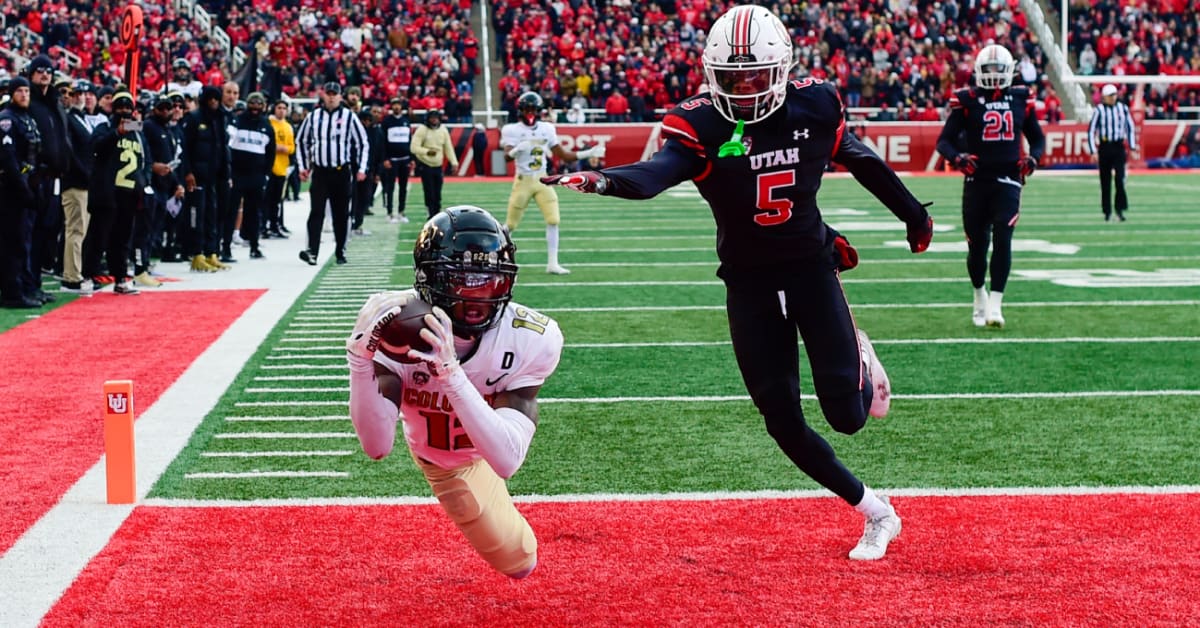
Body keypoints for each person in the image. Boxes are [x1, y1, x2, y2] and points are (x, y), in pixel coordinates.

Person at [543, 4, 933, 561]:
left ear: (783, 69)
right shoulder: (699, 124)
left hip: (809, 268)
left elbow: (861, 157)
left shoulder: (814, 105)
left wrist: (913, 215)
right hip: (748, 282)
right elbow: (656, 175)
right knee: (782, 421)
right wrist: (605, 179)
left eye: (756, 76)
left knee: (847, 417)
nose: (746, 89)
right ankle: (877, 511)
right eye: (732, 78)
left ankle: (861, 355)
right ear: (711, 75)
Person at [346, 205, 562, 579]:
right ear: (428, 280)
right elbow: (377, 447)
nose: (479, 295)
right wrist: (359, 363)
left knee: (520, 563)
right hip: (443, 460)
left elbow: (507, 461)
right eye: (463, 278)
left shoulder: (531, 338)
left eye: (490, 278)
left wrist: (450, 374)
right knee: (520, 560)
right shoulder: (397, 330)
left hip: (486, 448)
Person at [936, 43, 1046, 329]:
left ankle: (996, 304)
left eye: (1000, 69)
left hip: (1009, 179)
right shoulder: (968, 99)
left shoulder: (1022, 98)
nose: (995, 74)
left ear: (1010, 71)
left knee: (1003, 238)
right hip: (977, 180)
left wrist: (1033, 158)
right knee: (977, 246)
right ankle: (978, 295)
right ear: (979, 71)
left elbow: (1038, 138)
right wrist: (958, 158)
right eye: (990, 69)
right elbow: (944, 141)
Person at [501, 91, 604, 275]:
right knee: (510, 225)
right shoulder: (512, 130)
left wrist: (588, 153)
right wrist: (517, 150)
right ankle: (498, 258)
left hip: (542, 179)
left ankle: (552, 263)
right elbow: (506, 157)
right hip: (523, 180)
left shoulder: (547, 128)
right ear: (521, 110)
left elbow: (562, 154)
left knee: (553, 219)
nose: (531, 112)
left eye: (534, 109)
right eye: (528, 109)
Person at [294, 81, 369, 266]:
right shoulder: (314, 116)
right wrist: (303, 166)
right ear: (323, 95)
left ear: (340, 96)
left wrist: (361, 168)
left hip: (341, 171)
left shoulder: (349, 117)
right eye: (328, 93)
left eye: (334, 94)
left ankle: (340, 250)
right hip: (320, 172)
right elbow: (301, 141)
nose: (331, 96)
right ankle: (312, 251)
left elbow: (362, 142)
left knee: (341, 214)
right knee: (316, 212)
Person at [81, 91, 148, 296]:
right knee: (98, 237)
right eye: (120, 107)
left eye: (128, 107)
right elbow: (94, 148)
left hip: (129, 193)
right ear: (112, 108)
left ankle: (120, 278)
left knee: (122, 238)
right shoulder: (104, 128)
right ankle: (88, 276)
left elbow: (146, 160)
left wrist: (143, 185)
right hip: (107, 191)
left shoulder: (137, 132)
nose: (124, 111)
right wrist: (115, 134)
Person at [0, 77, 44, 308]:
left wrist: (35, 176)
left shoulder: (27, 118)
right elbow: (9, 159)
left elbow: (30, 156)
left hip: (28, 184)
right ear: (11, 93)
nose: (24, 95)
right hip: (11, 188)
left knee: (25, 240)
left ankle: (25, 286)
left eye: (27, 90)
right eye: (20, 91)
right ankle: (12, 293)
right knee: (13, 242)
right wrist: (23, 184)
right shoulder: (7, 119)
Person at [180, 85, 231, 272]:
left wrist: (226, 172)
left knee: (212, 214)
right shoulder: (194, 119)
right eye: (210, 99)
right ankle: (197, 254)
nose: (213, 102)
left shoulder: (220, 118)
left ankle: (211, 252)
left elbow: (223, 147)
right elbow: (184, 149)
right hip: (197, 176)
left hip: (214, 176)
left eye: (216, 99)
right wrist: (188, 172)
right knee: (197, 215)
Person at [228, 92, 276, 260]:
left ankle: (254, 246)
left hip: (256, 176)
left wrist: (266, 175)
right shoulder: (237, 121)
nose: (255, 107)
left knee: (254, 212)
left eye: (259, 104)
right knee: (231, 210)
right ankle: (226, 246)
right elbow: (229, 147)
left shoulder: (267, 125)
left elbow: (271, 153)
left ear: (263, 106)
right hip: (237, 174)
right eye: (252, 104)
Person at [60, 79, 95, 294]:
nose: (81, 97)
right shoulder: (69, 119)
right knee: (75, 229)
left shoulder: (84, 119)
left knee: (81, 230)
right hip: (76, 182)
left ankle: (77, 273)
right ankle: (71, 277)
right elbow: (70, 152)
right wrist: (85, 173)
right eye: (76, 93)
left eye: (84, 93)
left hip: (85, 182)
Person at [1087, 84, 1137, 222]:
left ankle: (1120, 209)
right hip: (1104, 147)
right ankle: (1107, 211)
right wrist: (1093, 150)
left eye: (1115, 94)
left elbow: (1130, 128)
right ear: (1104, 97)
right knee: (1105, 181)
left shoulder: (1123, 109)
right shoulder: (1099, 110)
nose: (1114, 97)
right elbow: (1091, 131)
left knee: (1120, 179)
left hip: (1118, 147)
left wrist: (1132, 147)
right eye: (1111, 95)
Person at [412, 108, 458, 218]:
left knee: (437, 192)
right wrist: (427, 152)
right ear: (427, 119)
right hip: (425, 164)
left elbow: (448, 147)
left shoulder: (443, 130)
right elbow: (413, 147)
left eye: (436, 118)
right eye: (432, 118)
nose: (434, 120)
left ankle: (437, 214)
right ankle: (430, 212)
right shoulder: (422, 130)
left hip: (438, 165)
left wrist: (454, 162)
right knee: (429, 191)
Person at [379, 97, 413, 224]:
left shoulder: (406, 120)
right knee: (390, 187)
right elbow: (382, 143)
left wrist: (411, 158)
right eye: (394, 105)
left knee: (403, 187)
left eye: (398, 104)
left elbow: (409, 140)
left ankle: (401, 211)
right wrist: (385, 159)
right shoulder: (386, 122)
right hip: (392, 160)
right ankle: (390, 212)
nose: (396, 107)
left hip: (404, 160)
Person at [265, 99, 295, 238]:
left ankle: (275, 225)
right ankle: (264, 226)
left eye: (284, 108)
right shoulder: (269, 123)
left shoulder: (288, 127)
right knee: (266, 199)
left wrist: (284, 148)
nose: (281, 110)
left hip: (282, 167)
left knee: (278, 200)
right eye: (279, 107)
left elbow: (292, 147)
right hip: (269, 167)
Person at [351, 108, 383, 236]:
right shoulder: (351, 133)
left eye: (368, 120)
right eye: (363, 120)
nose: (365, 123)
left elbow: (379, 153)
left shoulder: (376, 132)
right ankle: (350, 223)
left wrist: (378, 172)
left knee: (365, 198)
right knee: (352, 198)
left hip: (369, 170)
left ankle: (358, 223)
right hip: (353, 170)